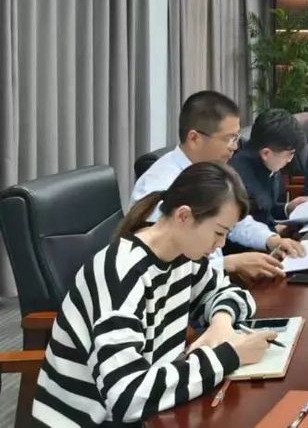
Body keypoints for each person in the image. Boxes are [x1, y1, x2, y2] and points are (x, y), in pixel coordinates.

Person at [33, 162, 275, 426]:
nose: (221, 244)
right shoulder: (121, 273)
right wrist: (229, 356)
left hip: (153, 408)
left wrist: (221, 323)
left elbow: (232, 294)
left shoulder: (183, 256)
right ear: (184, 216)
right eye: (218, 232)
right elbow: (126, 398)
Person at [130, 91, 302, 280]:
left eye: (236, 138)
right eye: (229, 139)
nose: (234, 147)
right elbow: (165, 269)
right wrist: (230, 263)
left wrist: (271, 240)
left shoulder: (210, 172)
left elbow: (233, 221)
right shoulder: (161, 185)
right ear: (194, 139)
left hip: (215, 283)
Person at [229, 108, 308, 230]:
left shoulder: (268, 164)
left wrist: (288, 208)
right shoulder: (239, 181)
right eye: (290, 154)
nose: (290, 160)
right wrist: (278, 232)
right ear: (266, 153)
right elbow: (245, 228)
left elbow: (267, 210)